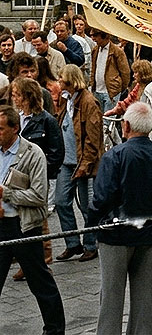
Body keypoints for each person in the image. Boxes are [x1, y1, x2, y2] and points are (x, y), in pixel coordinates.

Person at [88, 102, 152, 335]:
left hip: (116, 235)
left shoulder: (114, 156)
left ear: (126, 125)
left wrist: (95, 224)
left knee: (111, 296)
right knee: (145, 295)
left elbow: (101, 198)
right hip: (150, 234)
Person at [0, 104, 66, 335]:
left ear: (15, 128)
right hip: (0, 225)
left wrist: (5, 194)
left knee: (39, 280)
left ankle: (55, 329)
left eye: (0, 129)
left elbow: (39, 196)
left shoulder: (32, 153)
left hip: (23, 226)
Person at [10, 77, 64, 281]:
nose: (14, 98)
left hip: (36, 177)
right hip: (16, 177)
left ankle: (43, 261)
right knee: (20, 218)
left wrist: (40, 172)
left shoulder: (46, 120)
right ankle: (27, 260)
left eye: (17, 94)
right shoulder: (16, 118)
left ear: (27, 96)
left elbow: (57, 152)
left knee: (38, 217)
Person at [54, 63, 103, 263]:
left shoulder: (89, 102)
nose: (59, 82)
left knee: (87, 206)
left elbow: (93, 138)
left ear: (70, 81)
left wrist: (86, 164)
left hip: (83, 162)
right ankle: (72, 243)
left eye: (62, 79)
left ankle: (91, 245)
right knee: (61, 201)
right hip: (67, 161)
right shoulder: (67, 100)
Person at [89, 29, 132, 115]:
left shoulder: (117, 52)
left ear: (104, 36)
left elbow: (125, 73)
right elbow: (93, 69)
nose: (93, 39)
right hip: (96, 91)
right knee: (98, 120)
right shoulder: (95, 50)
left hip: (111, 93)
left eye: (95, 36)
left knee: (108, 121)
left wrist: (118, 88)